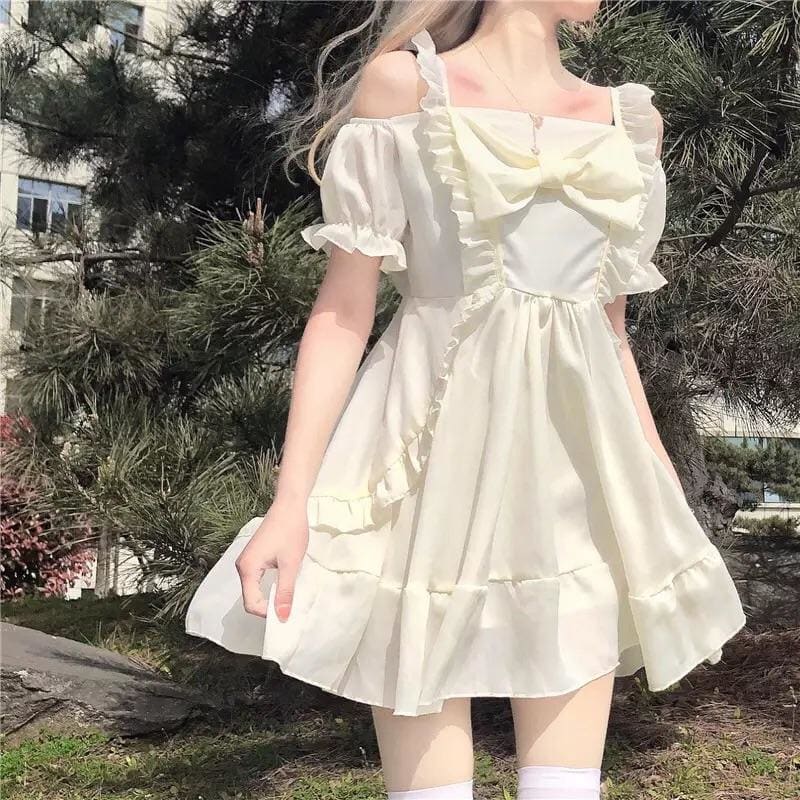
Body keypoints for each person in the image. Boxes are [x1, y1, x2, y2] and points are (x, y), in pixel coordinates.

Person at [185, 2, 747, 798]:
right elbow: (343, 310)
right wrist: (291, 502)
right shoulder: (404, 87)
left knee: (565, 791)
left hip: (575, 486)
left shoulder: (630, 123)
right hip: (422, 474)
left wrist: (660, 492)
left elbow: (610, 333)